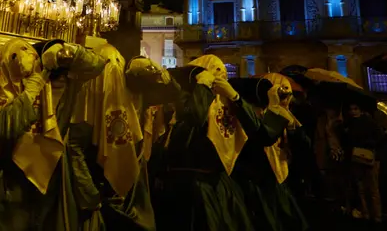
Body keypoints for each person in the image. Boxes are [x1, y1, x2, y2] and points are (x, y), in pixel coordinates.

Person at [0, 38, 106, 230]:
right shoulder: (2, 87)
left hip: (50, 177)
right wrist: (28, 95)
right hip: (7, 180)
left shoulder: (54, 83)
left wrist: (67, 52)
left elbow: (97, 64)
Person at [157, 55, 288, 231]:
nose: (221, 74)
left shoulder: (229, 103)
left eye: (223, 71)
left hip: (221, 187)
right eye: (215, 70)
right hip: (191, 189)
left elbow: (263, 136)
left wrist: (236, 98)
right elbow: (194, 117)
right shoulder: (186, 101)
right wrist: (202, 87)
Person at [72, 48, 174, 230]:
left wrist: (162, 74)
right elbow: (77, 146)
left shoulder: (136, 93)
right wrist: (90, 193)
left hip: (132, 184)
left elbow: (172, 93)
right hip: (100, 186)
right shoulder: (92, 100)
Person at [233, 73, 309, 231]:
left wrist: (287, 115)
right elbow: (263, 137)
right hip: (261, 180)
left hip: (281, 174)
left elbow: (303, 143)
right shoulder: (255, 115)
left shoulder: (285, 114)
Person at [340, 102, 384, 223]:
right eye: (351, 109)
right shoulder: (349, 124)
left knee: (372, 188)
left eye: (356, 109)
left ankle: (376, 215)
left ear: (361, 110)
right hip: (356, 158)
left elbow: (380, 138)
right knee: (361, 188)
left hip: (369, 158)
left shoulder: (369, 123)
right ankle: (367, 213)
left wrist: (368, 144)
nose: (353, 112)